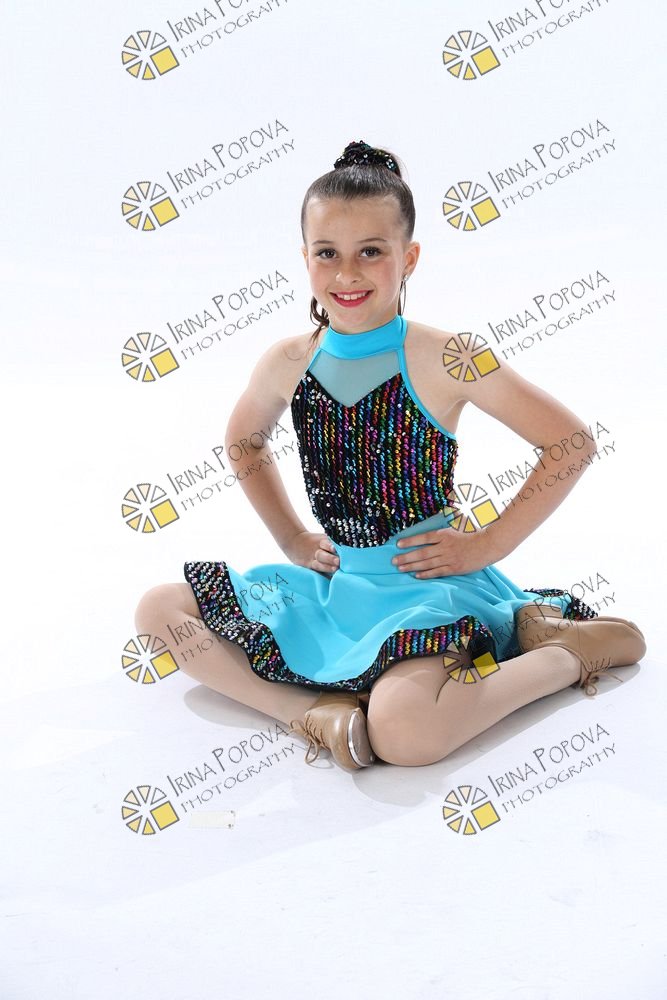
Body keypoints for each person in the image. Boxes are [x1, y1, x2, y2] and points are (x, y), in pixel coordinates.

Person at [134, 139, 646, 772]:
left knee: (406, 735)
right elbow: (245, 442)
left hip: (426, 590)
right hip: (340, 584)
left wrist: (485, 546)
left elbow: (570, 444)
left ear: (409, 258)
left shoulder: (447, 356)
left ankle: (566, 653)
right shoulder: (289, 361)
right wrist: (292, 538)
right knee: (159, 610)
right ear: (305, 258)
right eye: (327, 253)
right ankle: (310, 714)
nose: (347, 275)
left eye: (371, 252)